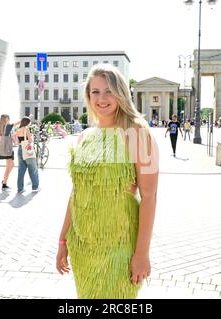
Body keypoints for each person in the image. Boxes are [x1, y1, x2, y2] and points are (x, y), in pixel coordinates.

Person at [55, 64, 159, 299]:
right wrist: (63, 240)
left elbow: (150, 197)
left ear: (121, 92)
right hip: (83, 246)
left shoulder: (138, 133)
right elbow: (76, 193)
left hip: (120, 244)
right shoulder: (85, 137)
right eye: (95, 92)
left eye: (109, 91)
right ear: (88, 96)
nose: (102, 98)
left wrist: (142, 253)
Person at [14, 117, 40, 193]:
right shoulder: (26, 129)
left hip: (20, 149)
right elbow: (30, 140)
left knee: (21, 170)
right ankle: (35, 187)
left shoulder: (17, 130)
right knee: (33, 169)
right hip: (27, 149)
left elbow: (17, 142)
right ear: (27, 123)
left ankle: (20, 188)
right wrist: (31, 136)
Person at [0, 114, 15, 190]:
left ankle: (4, 181)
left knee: (11, 165)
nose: (9, 119)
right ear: (5, 119)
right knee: (9, 166)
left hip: (7, 148)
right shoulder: (6, 127)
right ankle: (4, 183)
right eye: (8, 118)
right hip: (6, 148)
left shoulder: (3, 127)